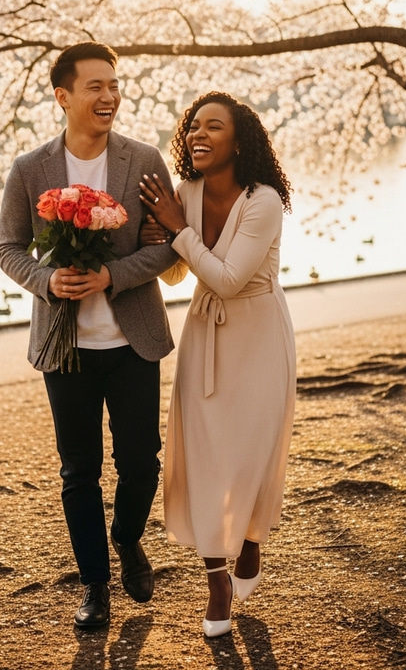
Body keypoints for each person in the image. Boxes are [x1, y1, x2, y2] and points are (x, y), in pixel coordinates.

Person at [0, 42, 177, 629]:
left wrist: (110, 275)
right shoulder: (31, 169)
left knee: (142, 462)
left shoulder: (144, 159)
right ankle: (95, 586)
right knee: (78, 471)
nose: (109, 96)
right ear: (64, 97)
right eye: (95, 87)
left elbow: (164, 244)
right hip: (64, 347)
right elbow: (8, 248)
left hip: (133, 341)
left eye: (114, 84)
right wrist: (47, 281)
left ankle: (127, 538)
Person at [139, 90, 296, 638]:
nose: (198, 136)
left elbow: (229, 279)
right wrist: (154, 234)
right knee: (205, 458)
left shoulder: (264, 201)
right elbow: (180, 276)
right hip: (204, 336)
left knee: (254, 448)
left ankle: (252, 537)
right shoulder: (186, 191)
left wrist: (175, 229)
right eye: (193, 128)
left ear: (240, 140)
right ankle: (216, 581)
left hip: (258, 332)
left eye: (213, 127)